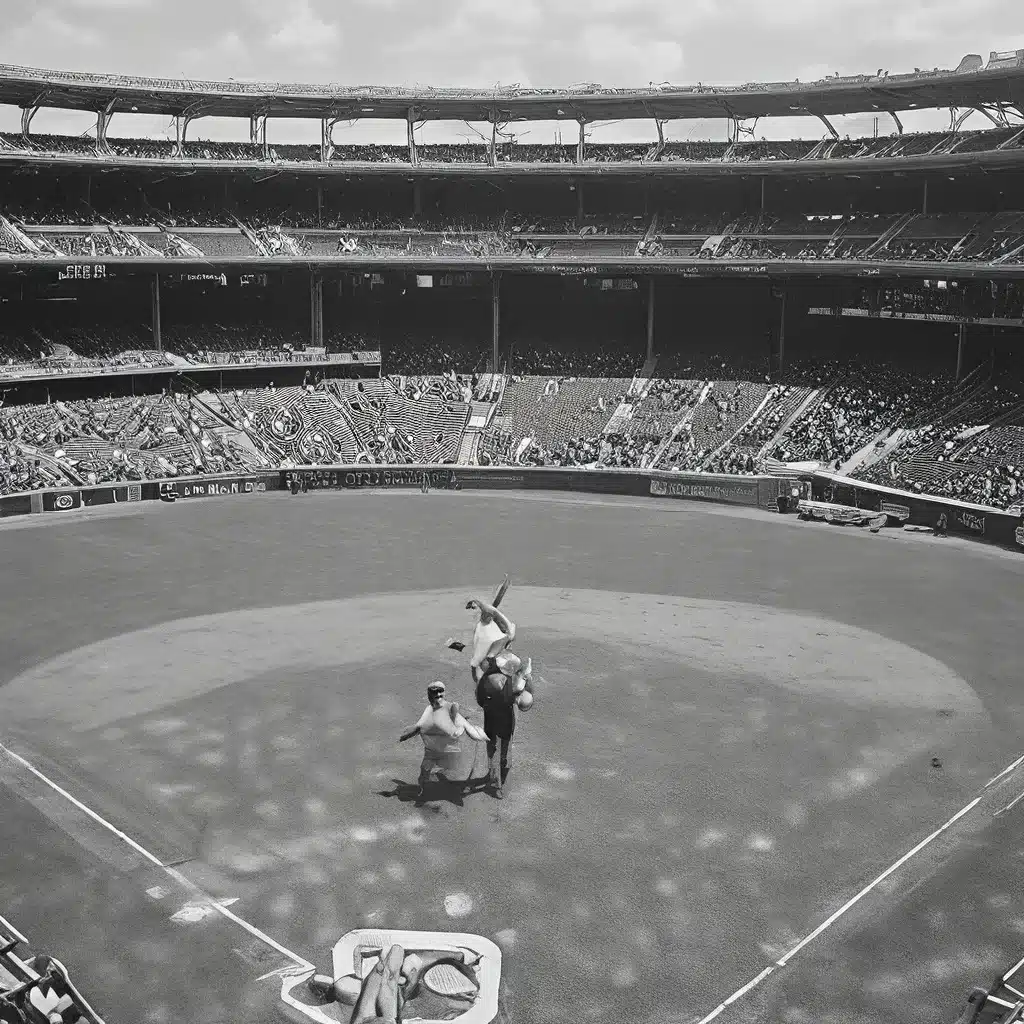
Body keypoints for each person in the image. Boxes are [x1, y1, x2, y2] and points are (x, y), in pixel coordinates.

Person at [399, 682, 486, 799]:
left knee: (453, 763)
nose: (438, 694)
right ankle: (422, 789)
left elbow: (466, 725)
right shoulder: (429, 709)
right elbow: (419, 726)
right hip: (432, 750)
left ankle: (450, 780)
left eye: (440, 692)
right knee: (424, 772)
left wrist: (478, 734)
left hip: (448, 747)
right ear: (430, 695)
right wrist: (406, 736)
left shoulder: (450, 707)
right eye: (435, 692)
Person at [476, 656, 534, 800]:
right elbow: (517, 690)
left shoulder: (501, 675)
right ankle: (496, 784)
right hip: (494, 718)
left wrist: (527, 676)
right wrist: (525, 675)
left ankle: (498, 776)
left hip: (504, 718)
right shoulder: (491, 679)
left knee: (503, 753)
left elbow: (525, 694)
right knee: (495, 751)